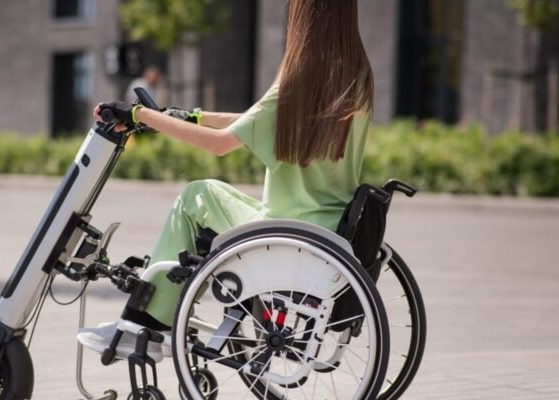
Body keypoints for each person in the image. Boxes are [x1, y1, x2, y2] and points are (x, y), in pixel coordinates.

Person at [78, 0, 374, 360]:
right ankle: (158, 313)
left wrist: (139, 114)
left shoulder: (300, 80)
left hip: (286, 237)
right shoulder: (356, 78)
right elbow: (255, 119)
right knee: (210, 196)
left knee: (196, 197)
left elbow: (221, 144)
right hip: (326, 238)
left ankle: (146, 325)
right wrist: (187, 116)